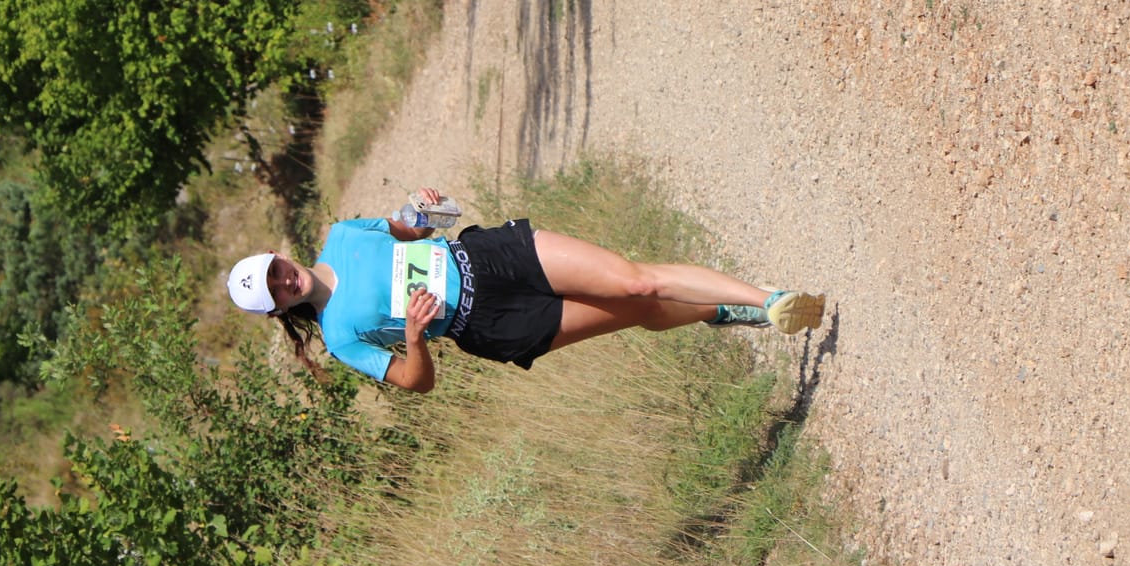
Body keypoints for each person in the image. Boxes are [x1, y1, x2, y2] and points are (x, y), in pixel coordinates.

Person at [225, 188, 824, 391]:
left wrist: (423, 206)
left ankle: (765, 300)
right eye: (275, 290)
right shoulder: (339, 336)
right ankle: (718, 310)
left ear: (280, 255)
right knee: (636, 308)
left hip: (488, 256)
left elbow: (408, 228)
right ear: (276, 308)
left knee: (634, 278)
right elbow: (416, 381)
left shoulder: (342, 235)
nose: (285, 279)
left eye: (275, 267)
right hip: (486, 326)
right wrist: (413, 337)